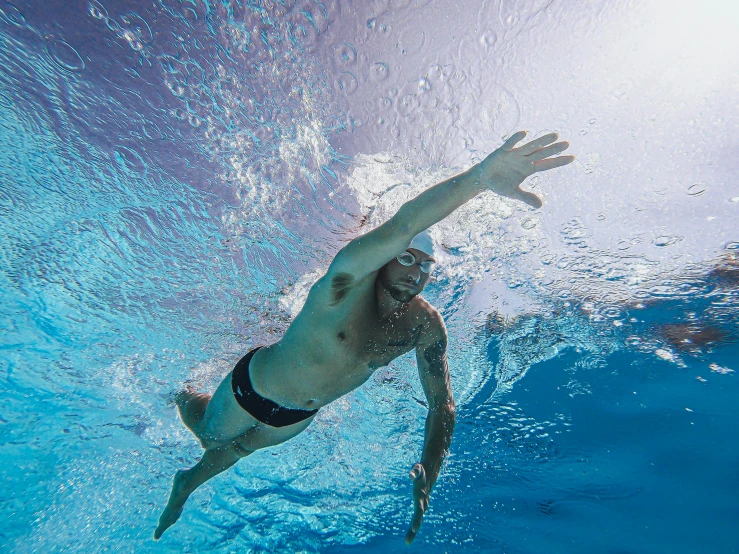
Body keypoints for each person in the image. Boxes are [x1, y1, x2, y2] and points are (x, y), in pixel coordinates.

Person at [154, 131, 574, 542]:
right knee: (211, 437)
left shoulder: (425, 326)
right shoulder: (346, 282)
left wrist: (430, 467)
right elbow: (407, 220)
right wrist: (480, 178)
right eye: (407, 257)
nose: (415, 272)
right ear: (384, 257)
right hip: (255, 385)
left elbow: (442, 403)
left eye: (426, 265)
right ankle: (180, 391)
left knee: (236, 451)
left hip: (296, 418)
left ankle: (187, 482)